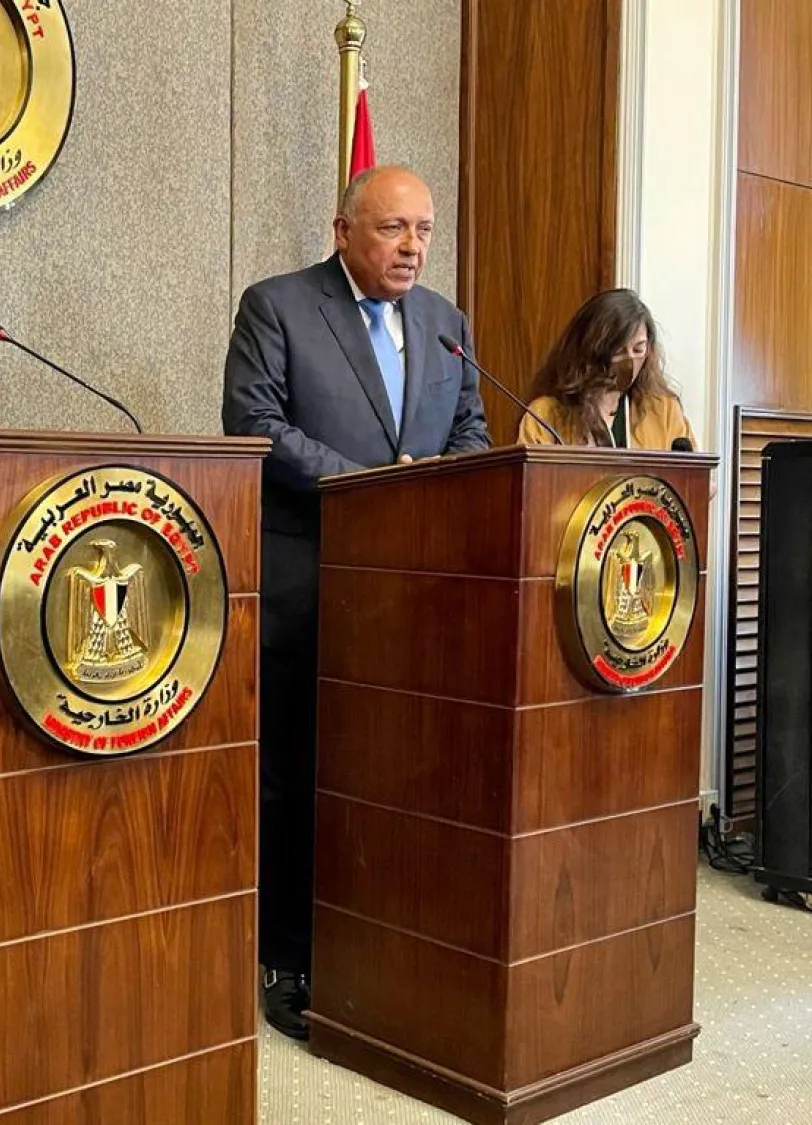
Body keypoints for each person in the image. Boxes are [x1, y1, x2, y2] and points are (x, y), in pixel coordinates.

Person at [221, 164, 490, 1040]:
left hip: (414, 596)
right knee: (298, 774)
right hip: (308, 585)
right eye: (392, 229)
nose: (412, 247)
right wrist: (373, 487)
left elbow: (471, 433)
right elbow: (253, 423)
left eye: (422, 230)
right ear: (343, 231)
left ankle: (385, 938)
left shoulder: (445, 323)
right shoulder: (279, 305)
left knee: (399, 773)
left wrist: (438, 487)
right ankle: (288, 959)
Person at [519, 288, 696, 449]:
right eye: (619, 351)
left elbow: (696, 478)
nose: (630, 361)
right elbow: (530, 481)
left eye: (638, 349)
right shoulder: (544, 415)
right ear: (590, 350)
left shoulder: (664, 411)